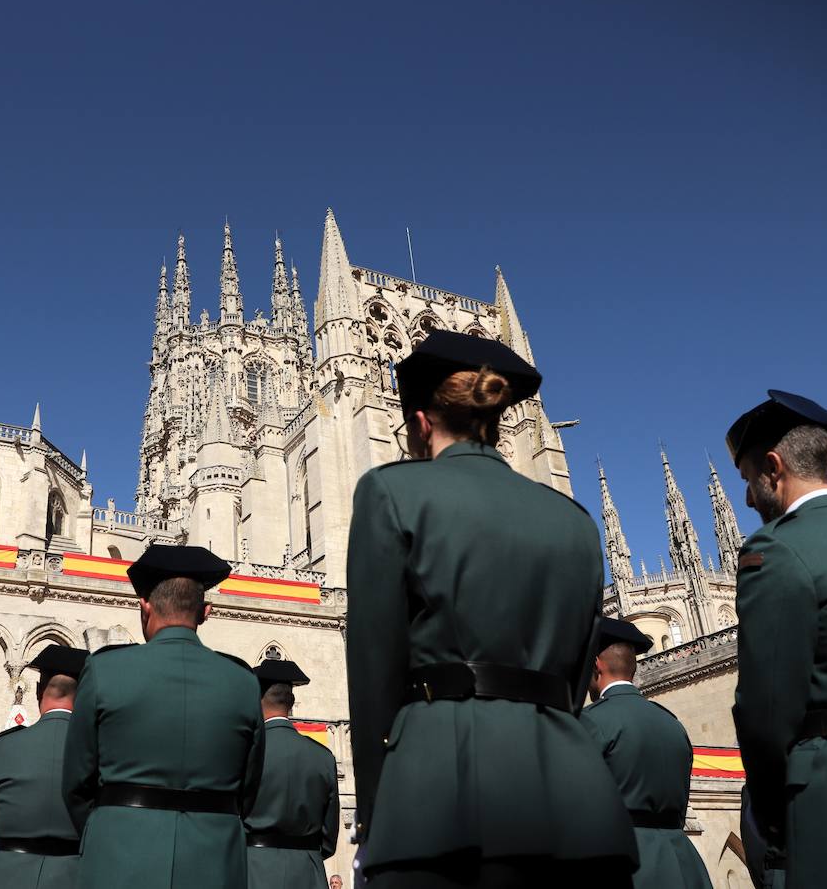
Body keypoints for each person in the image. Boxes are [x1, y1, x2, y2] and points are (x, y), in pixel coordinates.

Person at [345, 330, 637, 888]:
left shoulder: (391, 493)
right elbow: (577, 673)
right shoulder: (573, 521)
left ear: (421, 422)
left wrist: (379, 806)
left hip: (440, 792)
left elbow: (374, 669)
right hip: (574, 795)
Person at [727, 390, 827, 888]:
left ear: (774, 468)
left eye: (749, 480)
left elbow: (766, 713)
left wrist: (776, 817)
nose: (749, 498)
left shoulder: (777, 550)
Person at [62, 544, 265, 889]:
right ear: (206, 612)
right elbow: (249, 789)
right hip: (215, 860)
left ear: (145, 606)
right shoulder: (244, 683)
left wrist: (110, 825)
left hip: (118, 855)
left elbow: (76, 782)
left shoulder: (104, 670)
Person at [580, 617, 713, 889]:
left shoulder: (590, 721)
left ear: (596, 666)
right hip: (684, 863)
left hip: (624, 864)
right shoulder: (672, 724)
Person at [0, 644, 91, 888]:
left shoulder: (1, 748)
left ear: (38, 690)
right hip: (73, 875)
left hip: (3, 875)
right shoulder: (101, 752)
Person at [243, 658, 339, 889]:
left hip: (254, 870)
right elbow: (329, 835)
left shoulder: (246, 752)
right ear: (291, 702)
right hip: (307, 871)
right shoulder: (323, 756)